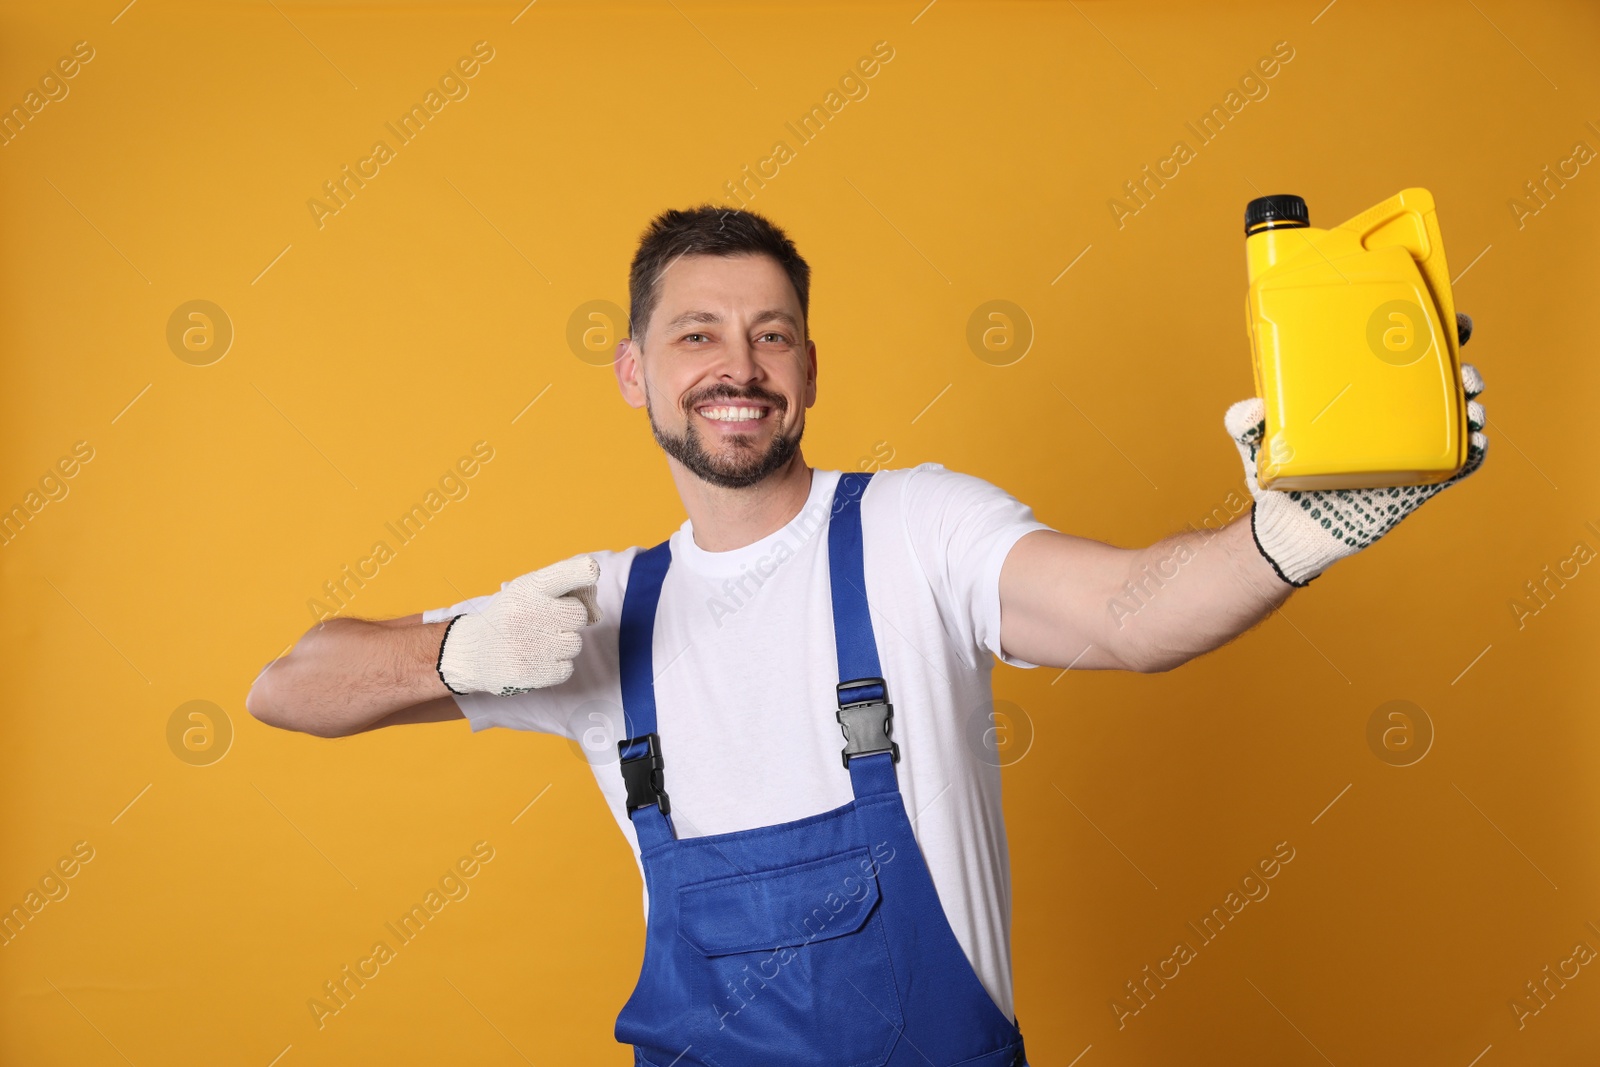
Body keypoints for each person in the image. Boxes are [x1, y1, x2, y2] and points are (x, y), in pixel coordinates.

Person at [245, 205, 1487, 1065]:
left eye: (770, 332)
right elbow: (287, 685)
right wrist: (456, 653)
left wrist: (1299, 528)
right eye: (697, 334)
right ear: (633, 371)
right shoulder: (591, 605)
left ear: (810, 365)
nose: (739, 365)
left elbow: (1130, 614)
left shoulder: (915, 527)